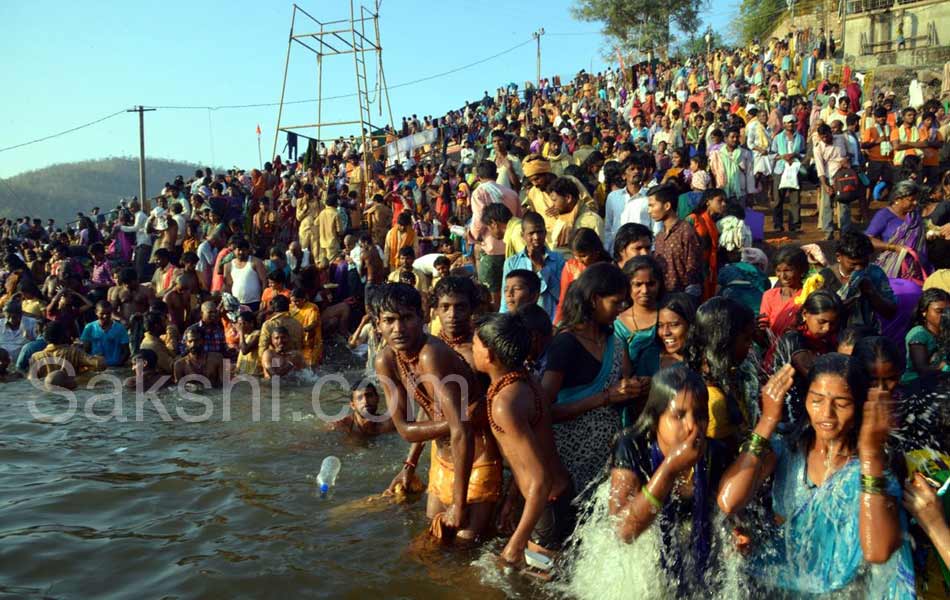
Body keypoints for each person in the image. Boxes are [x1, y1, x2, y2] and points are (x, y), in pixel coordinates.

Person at [718, 354, 916, 598]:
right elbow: (729, 501)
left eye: (842, 403)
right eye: (817, 400)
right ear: (805, 401)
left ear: (859, 407)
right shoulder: (786, 451)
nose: (827, 414)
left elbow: (878, 552)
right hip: (776, 590)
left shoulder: (871, 473)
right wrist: (767, 420)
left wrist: (870, 456)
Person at [570, 365, 727, 597]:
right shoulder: (632, 445)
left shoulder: (713, 453)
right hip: (634, 567)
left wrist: (736, 533)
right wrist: (669, 468)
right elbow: (624, 530)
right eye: (679, 415)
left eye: (700, 414)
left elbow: (729, 514)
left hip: (688, 561)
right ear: (655, 419)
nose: (693, 426)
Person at [372, 284, 501, 543]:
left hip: (477, 460)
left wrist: (458, 502)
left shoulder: (432, 354)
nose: (398, 329)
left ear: (422, 318)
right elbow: (407, 429)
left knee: (464, 547)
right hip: (441, 460)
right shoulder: (386, 359)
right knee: (433, 544)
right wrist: (410, 465)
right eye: (389, 321)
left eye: (407, 318)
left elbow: (461, 431)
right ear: (377, 324)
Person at [472, 312, 575, 567]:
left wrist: (516, 544)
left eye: (474, 344)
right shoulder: (525, 380)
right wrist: (512, 499)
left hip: (546, 504)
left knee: (540, 587)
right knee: (547, 580)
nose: (471, 349)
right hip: (552, 499)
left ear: (489, 354)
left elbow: (540, 479)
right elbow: (529, 454)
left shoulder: (504, 403)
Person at [541, 263, 645, 495]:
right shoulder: (566, 344)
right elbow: (544, 411)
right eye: (615, 302)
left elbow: (625, 381)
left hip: (605, 458)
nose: (621, 309)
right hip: (567, 459)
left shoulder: (615, 343)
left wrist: (636, 388)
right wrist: (605, 397)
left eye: (623, 303)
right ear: (594, 300)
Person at [684, 296, 758, 451]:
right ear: (724, 343)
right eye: (746, 339)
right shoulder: (712, 401)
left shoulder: (723, 376)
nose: (750, 346)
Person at [765, 290, 843, 430]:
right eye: (822, 322)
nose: (827, 328)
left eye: (833, 323)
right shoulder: (793, 339)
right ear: (805, 314)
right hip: (787, 419)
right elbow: (812, 373)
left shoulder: (829, 341)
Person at [820, 229, 897, 332]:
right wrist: (840, 307)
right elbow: (817, 315)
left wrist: (872, 293)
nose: (859, 269)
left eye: (864, 263)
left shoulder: (875, 273)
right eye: (853, 264)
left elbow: (891, 312)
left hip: (867, 335)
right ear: (839, 257)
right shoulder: (825, 278)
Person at [500, 212, 565, 320]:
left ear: (545, 233)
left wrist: (541, 266)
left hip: (551, 322)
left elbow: (562, 296)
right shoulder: (512, 262)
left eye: (540, 232)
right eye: (531, 233)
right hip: (521, 323)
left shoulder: (557, 260)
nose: (536, 237)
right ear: (523, 235)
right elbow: (505, 300)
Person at [868, 179, 928, 283]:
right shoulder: (884, 215)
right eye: (911, 199)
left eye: (916, 199)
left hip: (916, 269)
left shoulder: (914, 216)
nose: (915, 203)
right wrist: (893, 247)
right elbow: (867, 239)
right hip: (890, 268)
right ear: (897, 199)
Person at [648, 184, 702, 296]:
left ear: (667, 206)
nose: (649, 211)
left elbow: (693, 270)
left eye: (652, 206)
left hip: (682, 299)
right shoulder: (659, 236)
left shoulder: (686, 231)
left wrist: (688, 301)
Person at [553, 228, 611, 324]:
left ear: (596, 252)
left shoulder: (608, 269)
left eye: (583, 256)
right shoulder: (570, 267)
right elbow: (563, 300)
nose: (579, 260)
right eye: (575, 255)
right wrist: (556, 324)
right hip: (575, 320)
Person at [613, 255, 663, 359]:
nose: (645, 290)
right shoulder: (619, 325)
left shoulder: (670, 316)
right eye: (638, 284)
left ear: (660, 284)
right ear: (627, 286)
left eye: (651, 284)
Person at [902, 288, 950, 385]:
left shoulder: (945, 332)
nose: (944, 315)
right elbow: (921, 368)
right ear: (924, 311)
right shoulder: (919, 333)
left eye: (947, 311)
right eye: (939, 311)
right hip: (915, 385)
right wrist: (942, 367)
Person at [685, 188, 727, 299]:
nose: (723, 204)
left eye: (725, 201)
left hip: (708, 268)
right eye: (720, 200)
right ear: (708, 201)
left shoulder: (715, 223)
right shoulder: (693, 219)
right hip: (695, 268)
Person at [546, 176, 605, 254]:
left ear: (568, 198)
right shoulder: (561, 220)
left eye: (554, 200)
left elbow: (598, 253)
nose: (553, 205)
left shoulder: (591, 220)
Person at [29, 321, 105, 379]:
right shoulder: (74, 352)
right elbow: (100, 364)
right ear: (63, 336)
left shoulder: (36, 357)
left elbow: (31, 380)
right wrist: (98, 357)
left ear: (45, 338)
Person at [813, 123, 851, 239]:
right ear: (819, 136)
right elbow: (820, 168)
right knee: (826, 206)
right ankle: (828, 233)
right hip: (829, 177)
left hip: (844, 176)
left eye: (827, 136)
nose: (825, 139)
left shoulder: (841, 139)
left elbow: (850, 153)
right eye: (822, 137)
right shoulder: (818, 147)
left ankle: (845, 233)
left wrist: (846, 159)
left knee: (844, 205)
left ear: (831, 133)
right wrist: (825, 185)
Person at [770, 114, 805, 231]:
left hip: (795, 169)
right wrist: (782, 157)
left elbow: (804, 154)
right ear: (784, 124)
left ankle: (794, 224)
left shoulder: (800, 138)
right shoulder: (777, 138)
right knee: (778, 199)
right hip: (780, 169)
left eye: (792, 122)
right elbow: (772, 154)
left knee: (795, 199)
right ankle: (778, 224)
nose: (790, 124)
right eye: (788, 122)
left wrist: (795, 155)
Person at [329, 382, 395, 437]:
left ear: (377, 399)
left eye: (369, 396)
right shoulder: (340, 426)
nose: (365, 401)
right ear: (353, 405)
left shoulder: (389, 425)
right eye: (360, 398)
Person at [709, 126, 755, 204]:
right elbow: (713, 174)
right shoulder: (718, 154)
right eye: (732, 137)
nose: (735, 139)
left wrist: (750, 194)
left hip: (740, 193)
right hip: (723, 193)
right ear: (726, 139)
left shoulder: (745, 153)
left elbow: (749, 174)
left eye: (737, 137)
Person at [80, 301, 130, 367]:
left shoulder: (120, 328)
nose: (105, 316)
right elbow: (85, 349)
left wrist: (119, 364)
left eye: (108, 313)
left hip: (115, 367)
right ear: (96, 312)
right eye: (102, 313)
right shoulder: (89, 327)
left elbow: (126, 351)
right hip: (95, 366)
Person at [223, 239, 267, 312]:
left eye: (244, 250)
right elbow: (228, 285)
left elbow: (264, 281)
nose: (241, 252)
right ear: (234, 251)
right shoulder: (228, 265)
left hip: (255, 302)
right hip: (236, 303)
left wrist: (263, 299)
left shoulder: (256, 262)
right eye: (239, 250)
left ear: (248, 250)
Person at [258, 295, 304, 361]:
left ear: (273, 308)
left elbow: (262, 349)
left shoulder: (268, 324)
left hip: (276, 361)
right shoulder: (297, 323)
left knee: (276, 370)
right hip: (294, 360)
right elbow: (301, 345)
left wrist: (264, 365)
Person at [289, 287, 323, 368]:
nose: (294, 303)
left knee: (311, 367)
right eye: (292, 301)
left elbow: (313, 324)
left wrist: (301, 330)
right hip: (296, 343)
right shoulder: (290, 308)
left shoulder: (312, 308)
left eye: (297, 301)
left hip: (311, 343)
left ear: (304, 299)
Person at [138, 311, 176, 375]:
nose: (166, 325)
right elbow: (172, 367)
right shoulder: (153, 345)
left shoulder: (151, 340)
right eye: (163, 322)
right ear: (157, 326)